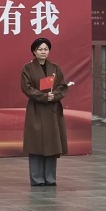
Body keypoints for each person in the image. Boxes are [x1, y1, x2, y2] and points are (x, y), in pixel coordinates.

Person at [21, 37, 68, 187]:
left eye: (46, 49)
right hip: (36, 109)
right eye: (40, 49)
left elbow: (62, 86)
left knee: (51, 144)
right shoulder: (27, 68)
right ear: (34, 51)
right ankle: (37, 179)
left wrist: (55, 96)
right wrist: (43, 96)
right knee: (35, 144)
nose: (43, 52)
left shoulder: (55, 68)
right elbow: (27, 88)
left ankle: (50, 178)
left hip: (52, 110)